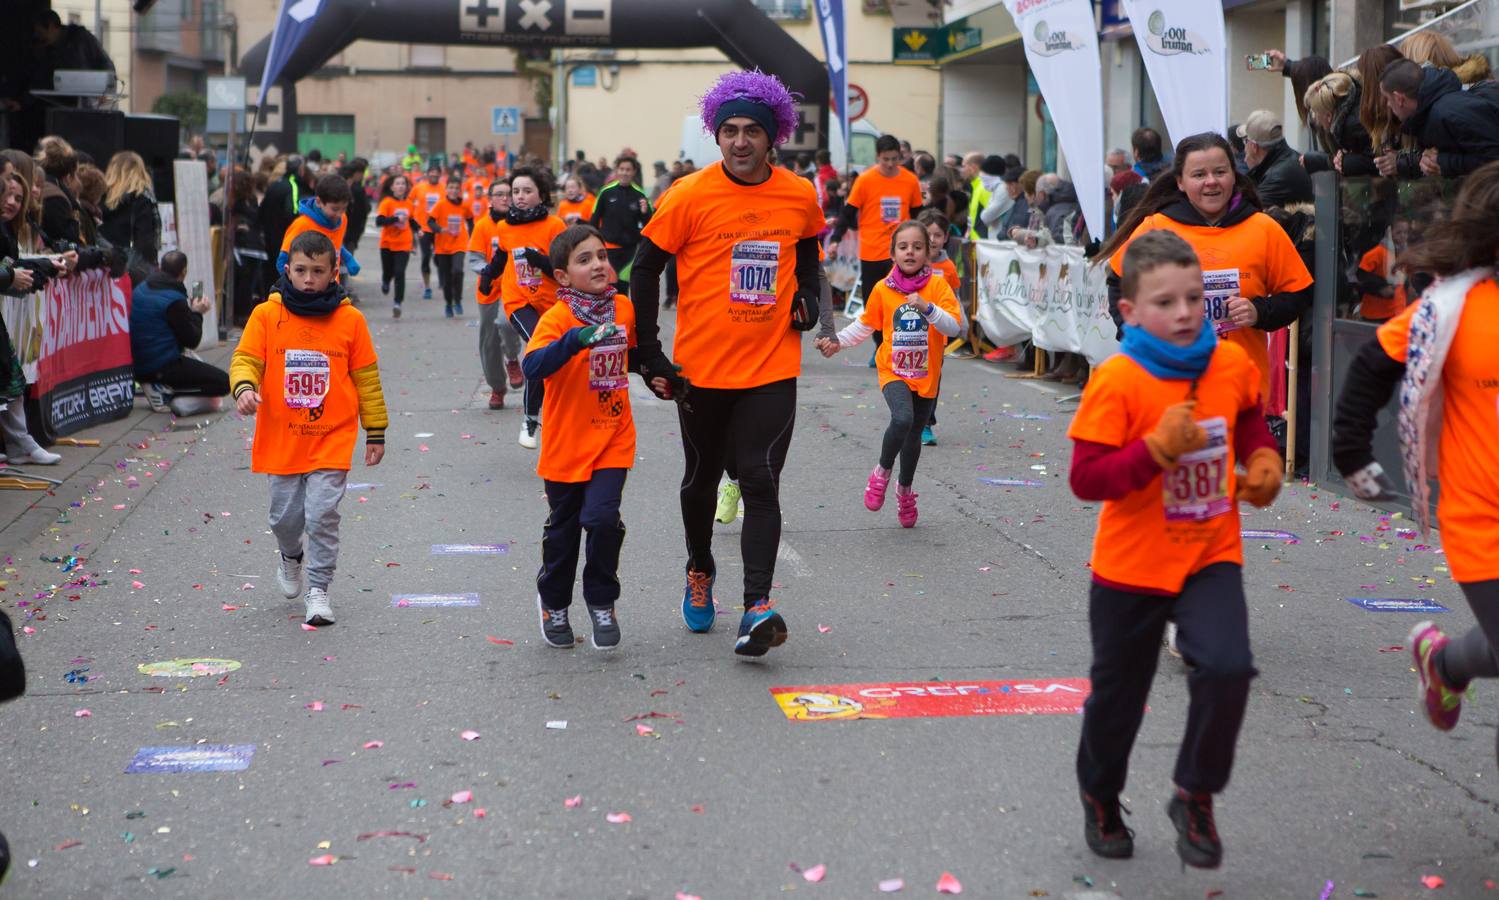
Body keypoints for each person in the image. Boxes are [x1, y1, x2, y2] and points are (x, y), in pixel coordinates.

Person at [1069, 229, 1281, 870]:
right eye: (1166, 302)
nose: (1186, 312)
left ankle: (1195, 792)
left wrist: (1263, 457)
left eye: (1194, 297)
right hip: (1131, 566)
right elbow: (1087, 479)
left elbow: (1246, 415)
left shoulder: (1229, 362)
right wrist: (1154, 451)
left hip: (1209, 551)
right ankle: (1100, 794)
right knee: (1118, 697)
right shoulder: (1117, 381)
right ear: (1130, 312)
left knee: (1227, 668)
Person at [628, 69, 823, 656]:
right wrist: (649, 352)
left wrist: (809, 301)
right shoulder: (688, 196)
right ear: (716, 135)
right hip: (700, 373)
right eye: (730, 130)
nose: (740, 141)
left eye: (752, 132)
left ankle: (757, 605)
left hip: (770, 367)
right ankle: (699, 569)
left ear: (773, 137)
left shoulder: (797, 194)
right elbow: (643, 268)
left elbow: (809, 252)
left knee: (761, 479)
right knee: (700, 481)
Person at [1331, 161, 1499, 764]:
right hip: (1483, 518)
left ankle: (1445, 660)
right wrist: (1349, 452)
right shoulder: (1453, 308)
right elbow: (1374, 366)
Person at [230, 231, 387, 627]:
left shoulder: (350, 320)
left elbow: (366, 379)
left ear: (334, 272)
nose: (309, 279)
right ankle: (290, 555)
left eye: (318, 271)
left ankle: (319, 590)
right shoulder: (267, 315)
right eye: (301, 270)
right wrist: (245, 388)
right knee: (284, 519)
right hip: (282, 436)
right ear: (287, 269)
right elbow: (245, 360)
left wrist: (376, 430)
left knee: (321, 515)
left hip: (331, 437)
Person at [1101, 132, 1313, 401]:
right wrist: (1142, 337)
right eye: (1199, 174)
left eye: (1220, 172)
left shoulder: (1263, 229)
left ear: (1234, 176)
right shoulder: (1156, 227)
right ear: (1180, 182)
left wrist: (1259, 311)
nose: (1211, 182)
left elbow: (1299, 295)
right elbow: (1118, 284)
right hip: (1167, 387)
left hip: (1242, 391)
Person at [521, 225, 649, 650]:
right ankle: (553, 602)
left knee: (600, 519)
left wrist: (663, 377)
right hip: (566, 443)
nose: (597, 264)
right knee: (564, 533)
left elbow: (633, 357)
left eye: (601, 255)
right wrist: (575, 340)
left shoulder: (624, 309)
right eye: (584, 259)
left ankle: (601, 601)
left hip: (613, 435)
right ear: (562, 276)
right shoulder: (557, 318)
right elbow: (533, 366)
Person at [818, 220, 961, 527]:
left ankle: (905, 490)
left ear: (928, 253)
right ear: (893, 253)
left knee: (913, 438)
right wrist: (836, 342)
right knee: (902, 419)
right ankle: (882, 472)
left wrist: (928, 308)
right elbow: (865, 325)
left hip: (926, 375)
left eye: (918, 247)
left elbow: (955, 326)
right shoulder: (883, 289)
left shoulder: (937, 285)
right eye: (904, 247)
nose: (910, 252)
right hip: (893, 370)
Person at [478, 167, 568, 448]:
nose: (520, 196)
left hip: (551, 302)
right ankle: (530, 420)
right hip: (518, 300)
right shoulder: (504, 227)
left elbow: (563, 269)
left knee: (555, 359)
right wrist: (487, 276)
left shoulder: (555, 226)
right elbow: (501, 257)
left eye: (527, 191)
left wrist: (539, 260)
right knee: (538, 349)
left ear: (541, 195)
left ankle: (558, 413)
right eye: (516, 191)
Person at [0, 171, 59, 466]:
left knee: (13, 379)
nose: (11, 202)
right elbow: (8, 268)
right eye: (6, 194)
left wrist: (45, 265)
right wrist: (11, 275)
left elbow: (11, 265)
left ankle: (18, 443)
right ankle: (20, 442)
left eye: (18, 198)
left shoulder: (10, 229)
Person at [130, 250, 229, 416]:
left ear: (160, 268)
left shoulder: (142, 287)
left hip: (139, 363)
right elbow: (192, 340)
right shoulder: (174, 301)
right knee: (224, 383)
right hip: (161, 365)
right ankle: (166, 393)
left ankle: (157, 385)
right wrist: (197, 313)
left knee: (195, 367)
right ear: (184, 272)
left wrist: (187, 312)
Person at [829, 134, 923, 306]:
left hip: (901, 251)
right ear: (877, 156)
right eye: (885, 159)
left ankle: (894, 334)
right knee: (873, 304)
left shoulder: (910, 180)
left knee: (900, 303)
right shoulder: (865, 180)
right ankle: (878, 334)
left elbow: (918, 216)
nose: (890, 164)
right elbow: (848, 212)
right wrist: (835, 240)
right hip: (872, 251)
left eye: (894, 159)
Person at [1380, 58, 1499, 178]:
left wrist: (1445, 163)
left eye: (1388, 99)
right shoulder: (1428, 114)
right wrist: (1424, 162)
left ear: (1399, 98)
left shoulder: (1450, 112)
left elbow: (1493, 159)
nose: (1388, 105)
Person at [468, 180, 525, 407]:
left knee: (507, 324)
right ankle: (497, 388)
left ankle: (512, 358)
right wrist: (488, 273)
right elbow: (475, 259)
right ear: (490, 200)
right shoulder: (483, 226)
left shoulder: (519, 225)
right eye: (498, 194)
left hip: (514, 288)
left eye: (507, 194)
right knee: (489, 343)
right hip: (489, 290)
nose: (504, 198)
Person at [277, 174, 361, 282]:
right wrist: (292, 286)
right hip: (307, 288)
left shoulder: (343, 219)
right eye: (335, 209)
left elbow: (335, 244)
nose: (339, 214)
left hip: (332, 287)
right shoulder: (302, 225)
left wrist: (348, 258)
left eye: (344, 208)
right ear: (319, 202)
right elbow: (283, 259)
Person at [589, 155, 653, 294]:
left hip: (629, 250)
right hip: (608, 248)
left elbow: (650, 224)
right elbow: (594, 219)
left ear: (634, 172)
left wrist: (645, 212)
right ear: (616, 171)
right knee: (606, 286)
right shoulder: (606, 192)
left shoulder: (639, 194)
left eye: (628, 170)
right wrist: (592, 241)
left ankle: (622, 314)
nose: (624, 172)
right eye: (622, 169)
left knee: (623, 287)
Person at [100, 150, 162, 284]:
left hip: (103, 266)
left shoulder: (99, 198)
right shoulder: (144, 199)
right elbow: (146, 241)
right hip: (133, 272)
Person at [30, 8, 116, 104]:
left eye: (40, 33)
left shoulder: (80, 38)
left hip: (88, 102)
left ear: (51, 26)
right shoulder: (48, 51)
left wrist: (105, 90)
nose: (38, 37)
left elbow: (105, 62)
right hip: (64, 105)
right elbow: (42, 80)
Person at [1300, 73, 1376, 176]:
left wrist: (1345, 162)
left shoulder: (1350, 127)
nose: (1313, 116)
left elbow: (1375, 160)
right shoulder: (1354, 107)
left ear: (1328, 116)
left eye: (1315, 111)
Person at [1237, 111, 1313, 207]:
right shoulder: (1294, 158)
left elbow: (1249, 213)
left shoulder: (1275, 178)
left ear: (1254, 147)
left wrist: (1252, 172)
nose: (1244, 148)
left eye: (1245, 141)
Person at [424, 176, 473, 318]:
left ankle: (457, 300)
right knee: (447, 277)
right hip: (442, 245)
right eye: (451, 187)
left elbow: (470, 220)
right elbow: (430, 222)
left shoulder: (464, 205)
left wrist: (471, 234)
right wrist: (440, 229)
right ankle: (448, 303)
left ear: (460, 190)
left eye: (456, 188)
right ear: (446, 189)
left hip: (459, 243)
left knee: (457, 271)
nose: (454, 190)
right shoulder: (440, 205)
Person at [375, 173, 420, 317]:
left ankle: (397, 303)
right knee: (388, 271)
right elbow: (379, 221)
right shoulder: (387, 202)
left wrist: (419, 230)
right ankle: (385, 281)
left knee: (400, 272)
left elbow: (411, 220)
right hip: (387, 243)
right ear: (392, 187)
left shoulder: (409, 203)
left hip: (404, 243)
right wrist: (395, 219)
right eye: (398, 184)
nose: (401, 186)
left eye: (403, 184)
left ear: (406, 187)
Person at [410, 164, 445, 299]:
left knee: (439, 257)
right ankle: (427, 287)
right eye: (432, 173)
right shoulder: (419, 187)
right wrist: (413, 217)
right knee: (426, 258)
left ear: (440, 175)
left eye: (436, 174)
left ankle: (442, 278)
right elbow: (408, 201)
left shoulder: (444, 188)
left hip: (438, 228)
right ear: (427, 174)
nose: (434, 176)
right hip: (423, 228)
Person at [1036, 173, 1085, 244]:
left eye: (1037, 194)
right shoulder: (1078, 204)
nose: (1037, 199)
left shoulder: (1053, 213)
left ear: (1041, 194)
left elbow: (1059, 244)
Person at [340, 158, 371, 257]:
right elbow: (365, 209)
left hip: (344, 231)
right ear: (356, 173)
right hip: (350, 232)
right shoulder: (357, 190)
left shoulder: (338, 185)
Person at [959, 151, 992, 239]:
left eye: (964, 166)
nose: (961, 170)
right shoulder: (976, 186)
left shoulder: (985, 188)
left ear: (973, 167)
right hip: (976, 244)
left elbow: (992, 218)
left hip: (982, 244)